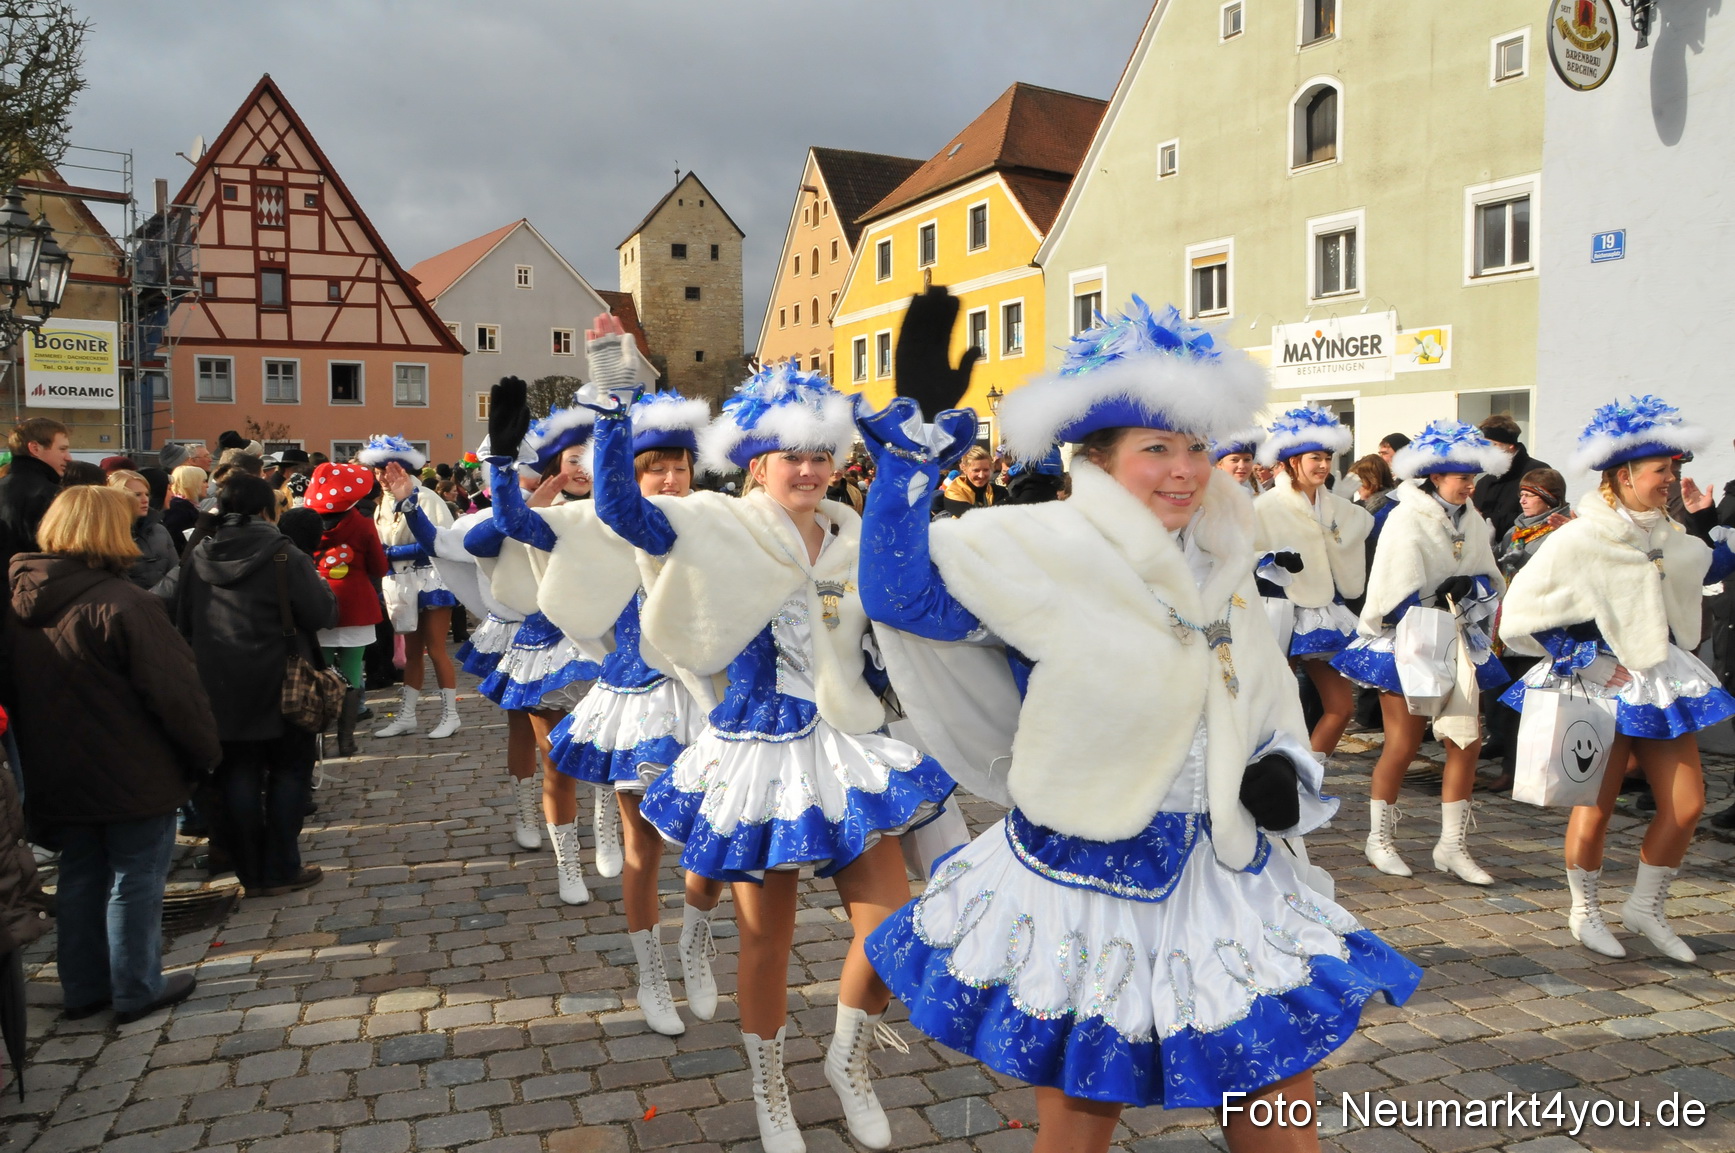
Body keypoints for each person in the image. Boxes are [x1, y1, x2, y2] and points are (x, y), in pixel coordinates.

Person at [860, 293, 1420, 1153]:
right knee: (1078, 1132)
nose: (1184, 469)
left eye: (1196, 446)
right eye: (1155, 447)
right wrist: (907, 463)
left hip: (1227, 873)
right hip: (1086, 882)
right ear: (1095, 458)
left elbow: (1258, 694)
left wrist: (1279, 767)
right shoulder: (1043, 545)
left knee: (1276, 1121)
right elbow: (901, 596)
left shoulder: (1226, 555)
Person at [600, 358, 954, 1153]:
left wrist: (920, 464)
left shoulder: (850, 533)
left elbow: (913, 596)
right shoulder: (719, 524)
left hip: (850, 742)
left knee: (892, 926)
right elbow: (626, 513)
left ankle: (846, 1059)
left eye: (820, 453)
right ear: (755, 463)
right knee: (769, 937)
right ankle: (769, 1087)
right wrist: (609, 410)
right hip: (759, 745)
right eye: (790, 455)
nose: (808, 468)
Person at [507, 351, 725, 1037]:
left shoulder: (719, 523)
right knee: (642, 847)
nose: (669, 476)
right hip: (637, 701)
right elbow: (514, 525)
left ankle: (693, 939)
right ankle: (648, 969)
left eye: (678, 465)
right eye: (653, 465)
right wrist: (605, 411)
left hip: (710, 705)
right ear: (631, 475)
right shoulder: (609, 524)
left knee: (707, 841)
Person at [1500, 397, 1735, 962]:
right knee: (1595, 806)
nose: (1671, 480)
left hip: (1657, 677)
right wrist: (1582, 658)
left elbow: (1709, 565)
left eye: (1674, 471)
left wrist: (1712, 527)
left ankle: (1645, 907)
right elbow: (1522, 615)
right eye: (1662, 472)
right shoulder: (1579, 538)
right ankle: (1585, 910)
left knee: (1686, 805)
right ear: (1623, 476)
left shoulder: (1670, 535)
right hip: (1600, 684)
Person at [0, 485, 221, 1021]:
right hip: (132, 766)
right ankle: (135, 987)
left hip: (55, 767)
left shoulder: (17, 604)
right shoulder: (125, 603)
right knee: (134, 878)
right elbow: (175, 692)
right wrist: (204, 752)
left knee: (81, 875)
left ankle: (83, 987)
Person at [1333, 421, 1510, 884]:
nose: (1470, 484)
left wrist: (1471, 584)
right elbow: (1391, 587)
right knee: (1404, 743)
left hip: (1458, 638)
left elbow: (1489, 575)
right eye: (1461, 476)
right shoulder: (1405, 517)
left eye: (1473, 476)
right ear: (1435, 477)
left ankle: (1452, 846)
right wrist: (1425, 599)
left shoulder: (1472, 518)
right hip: (1408, 640)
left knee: (1465, 743)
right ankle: (1379, 840)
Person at [468, 398, 614, 902]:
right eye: (571, 458)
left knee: (610, 751)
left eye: (588, 458)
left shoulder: (617, 510)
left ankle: (606, 818)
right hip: (545, 645)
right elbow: (481, 542)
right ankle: (565, 863)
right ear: (553, 464)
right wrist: (526, 500)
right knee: (554, 758)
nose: (579, 468)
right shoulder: (529, 511)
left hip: (610, 647)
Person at [174, 474, 337, 896]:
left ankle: (250, 870)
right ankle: (281, 866)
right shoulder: (285, 555)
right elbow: (320, 613)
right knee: (289, 772)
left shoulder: (198, 557)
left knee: (237, 774)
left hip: (220, 682)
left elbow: (184, 622)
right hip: (282, 679)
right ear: (268, 510)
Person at [1254, 406, 1373, 757]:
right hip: (1279, 613)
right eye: (1314, 458)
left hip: (1324, 610)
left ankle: (1307, 775)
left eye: (1327, 458)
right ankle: (1267, 775)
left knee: (1341, 708)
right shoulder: (1266, 507)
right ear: (1292, 462)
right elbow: (1243, 557)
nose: (1322, 465)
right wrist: (1272, 561)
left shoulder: (1340, 508)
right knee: (1278, 706)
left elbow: (1363, 526)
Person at [364, 436, 462, 740]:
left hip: (431, 580)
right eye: (377, 470)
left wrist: (388, 554)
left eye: (387, 469)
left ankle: (452, 715)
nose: (381, 476)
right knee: (412, 652)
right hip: (401, 584)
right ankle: (407, 716)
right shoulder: (383, 503)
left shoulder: (428, 498)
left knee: (436, 649)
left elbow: (439, 542)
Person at [303, 461, 389, 756]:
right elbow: (379, 566)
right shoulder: (363, 524)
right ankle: (346, 739)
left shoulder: (306, 520)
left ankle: (319, 741)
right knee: (352, 671)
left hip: (318, 603)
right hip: (357, 605)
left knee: (321, 672)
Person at [0, 418, 70, 569]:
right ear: (35, 448)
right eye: (62, 449)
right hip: (35, 586)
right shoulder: (53, 495)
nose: (68, 457)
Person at [106, 469, 179, 590]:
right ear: (117, 497)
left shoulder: (159, 530)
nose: (145, 499)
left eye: (147, 494)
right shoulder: (107, 534)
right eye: (137, 495)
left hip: (161, 605)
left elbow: (175, 571)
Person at [934, 444, 1006, 516]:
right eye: (976, 470)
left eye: (986, 470)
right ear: (964, 469)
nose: (981, 475)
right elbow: (974, 518)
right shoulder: (953, 493)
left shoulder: (999, 492)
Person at [165, 465, 208, 552]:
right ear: (192, 483)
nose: (207, 485)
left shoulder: (184, 506)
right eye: (204, 481)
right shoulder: (179, 509)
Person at [1210, 428, 1263, 493]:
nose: (1242, 466)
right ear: (1219, 464)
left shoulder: (1258, 492)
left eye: (1247, 460)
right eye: (1234, 460)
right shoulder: (1210, 495)